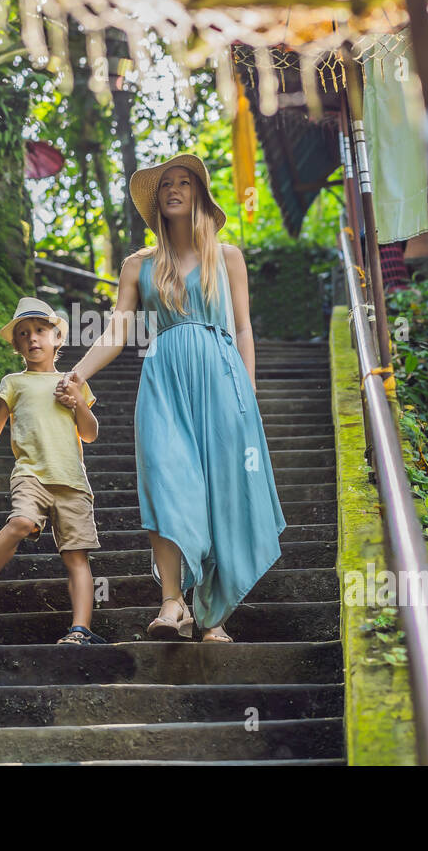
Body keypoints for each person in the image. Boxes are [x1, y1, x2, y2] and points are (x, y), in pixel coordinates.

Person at [58, 153, 286, 642]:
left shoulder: (226, 257)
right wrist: (76, 374)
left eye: (184, 182)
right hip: (163, 378)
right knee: (164, 482)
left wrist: (247, 394)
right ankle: (172, 602)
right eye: (165, 185)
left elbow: (243, 328)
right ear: (156, 202)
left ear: (200, 195)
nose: (174, 189)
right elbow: (118, 329)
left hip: (223, 380)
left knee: (220, 490)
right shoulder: (138, 265)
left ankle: (214, 618)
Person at [0, 297, 106, 645]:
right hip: (30, 473)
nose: (33, 338)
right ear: (17, 345)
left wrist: (77, 399)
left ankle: (80, 630)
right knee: (21, 522)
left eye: (40, 330)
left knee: (76, 556)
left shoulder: (73, 382)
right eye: (23, 334)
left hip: (72, 481)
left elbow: (90, 434)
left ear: (56, 338)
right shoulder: (14, 382)